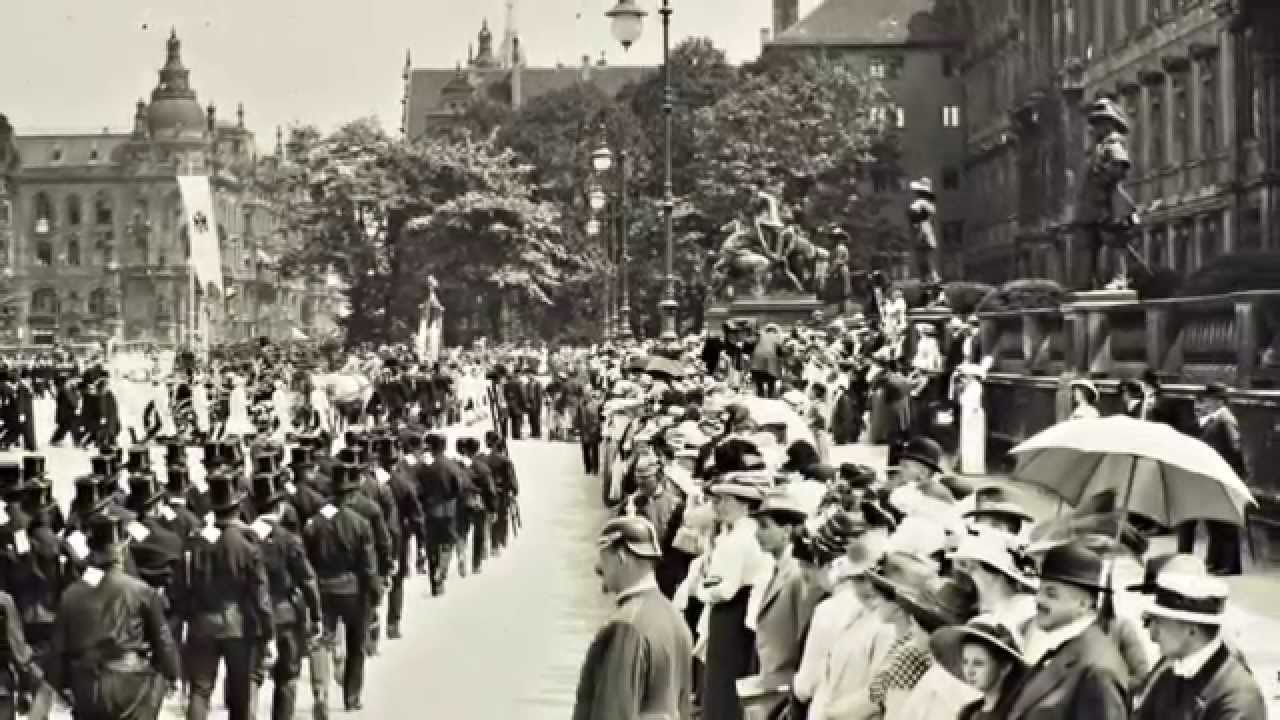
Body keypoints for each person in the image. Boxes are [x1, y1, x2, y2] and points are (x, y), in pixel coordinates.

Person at [48, 504, 181, 720]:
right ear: (123, 549)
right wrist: (172, 675)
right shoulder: (141, 591)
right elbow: (163, 641)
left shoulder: (71, 594)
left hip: (86, 684)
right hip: (131, 684)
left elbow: (58, 648)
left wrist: (62, 687)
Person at [572, 516, 693, 720]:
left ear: (620, 557)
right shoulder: (676, 619)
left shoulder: (626, 625)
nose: (598, 568)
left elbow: (613, 711)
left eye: (603, 558)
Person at [1003, 541, 1130, 720]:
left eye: (1051, 594)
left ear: (1083, 604)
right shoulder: (1068, 649)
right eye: (1039, 590)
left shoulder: (1097, 670)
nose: (1038, 599)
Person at [1134, 559, 1266, 720]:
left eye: (1160, 622)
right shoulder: (1169, 678)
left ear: (1191, 629)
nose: (1153, 635)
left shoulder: (1238, 696)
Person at [1181, 382, 1245, 576]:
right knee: (1215, 521)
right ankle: (1216, 561)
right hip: (1216, 475)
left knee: (1225, 523)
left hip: (1224, 476)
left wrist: (1225, 469)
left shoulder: (1225, 420)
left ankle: (1228, 565)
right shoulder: (1217, 419)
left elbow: (1235, 449)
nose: (1205, 403)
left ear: (1219, 401)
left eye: (1208, 399)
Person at [930, 617, 1028, 720]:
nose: (969, 671)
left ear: (1005, 667)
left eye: (978, 663)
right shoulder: (968, 713)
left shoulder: (1016, 711)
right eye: (965, 662)